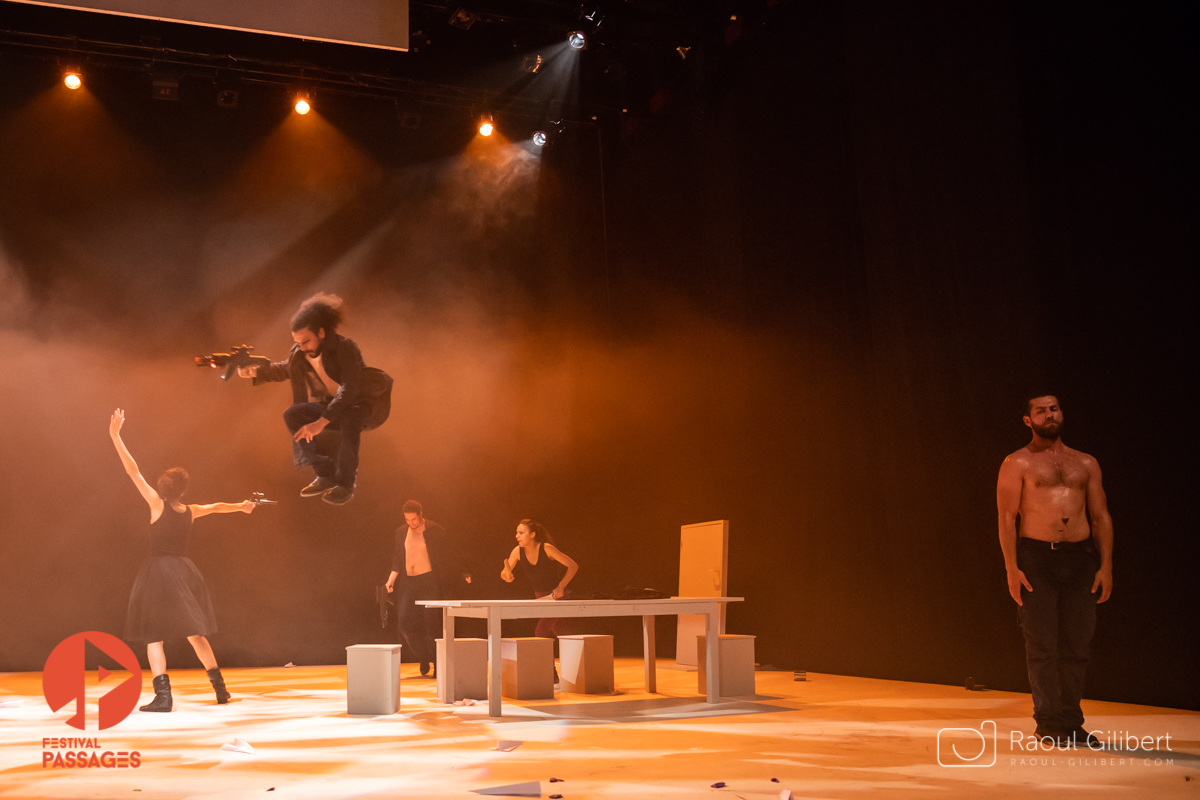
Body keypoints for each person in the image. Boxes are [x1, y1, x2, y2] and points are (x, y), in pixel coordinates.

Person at [109, 408, 255, 712]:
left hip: (158, 572)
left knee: (154, 636)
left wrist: (115, 436)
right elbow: (215, 506)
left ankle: (164, 697)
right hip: (183, 572)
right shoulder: (190, 511)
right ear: (183, 491)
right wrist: (241, 506)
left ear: (163, 487)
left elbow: (132, 471)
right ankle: (220, 689)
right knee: (194, 632)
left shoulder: (155, 504)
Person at [996, 394, 1113, 747]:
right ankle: (1048, 722)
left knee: (1077, 644)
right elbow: (1006, 516)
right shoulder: (1017, 462)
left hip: (1079, 557)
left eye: (1054, 408)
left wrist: (1106, 565)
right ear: (1028, 420)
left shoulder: (1086, 463)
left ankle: (1071, 722)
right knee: (1042, 644)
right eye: (1041, 411)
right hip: (1037, 558)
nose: (1050, 414)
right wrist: (1011, 566)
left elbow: (1100, 516)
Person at [238, 292, 392, 505]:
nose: (302, 347)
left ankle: (345, 485)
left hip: (363, 404)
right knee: (293, 415)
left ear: (321, 333)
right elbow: (286, 368)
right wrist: (256, 372)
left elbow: (350, 389)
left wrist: (320, 423)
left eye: (306, 341)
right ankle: (326, 475)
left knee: (350, 419)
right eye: (298, 342)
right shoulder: (300, 353)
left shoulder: (345, 347)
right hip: (334, 406)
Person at [384, 500, 471, 677]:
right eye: (407, 520)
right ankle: (424, 656)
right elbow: (397, 558)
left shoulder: (434, 530)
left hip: (429, 581)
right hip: (410, 582)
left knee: (432, 625)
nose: (411, 523)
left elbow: (449, 553)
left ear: (421, 515)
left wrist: (463, 571)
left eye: (414, 519)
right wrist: (391, 580)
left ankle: (438, 663)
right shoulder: (401, 532)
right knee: (404, 623)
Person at [500, 519, 579, 644]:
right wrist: (506, 576)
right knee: (561, 631)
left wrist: (561, 586)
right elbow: (504, 572)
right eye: (517, 533)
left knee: (541, 632)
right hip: (541, 597)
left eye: (521, 533)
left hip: (555, 597)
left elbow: (573, 566)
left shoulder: (546, 548)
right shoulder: (517, 551)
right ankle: (579, 659)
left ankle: (544, 663)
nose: (517, 536)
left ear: (532, 534)